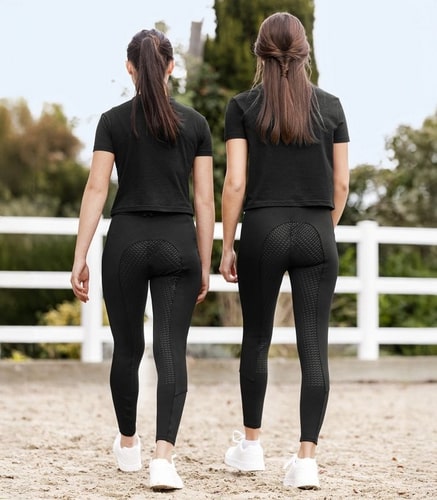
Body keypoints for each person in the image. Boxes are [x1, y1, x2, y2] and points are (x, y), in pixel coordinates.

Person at [70, 29, 214, 491]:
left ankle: (129, 445)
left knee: (128, 349)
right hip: (178, 242)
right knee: (170, 350)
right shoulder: (196, 124)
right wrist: (205, 261)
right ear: (171, 67)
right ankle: (163, 460)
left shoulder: (112, 121)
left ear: (129, 68)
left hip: (126, 243)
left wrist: (80, 256)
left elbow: (96, 189)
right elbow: (205, 201)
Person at [219, 12, 349, 491]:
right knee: (314, 346)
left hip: (263, 230)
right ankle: (306, 459)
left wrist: (227, 243)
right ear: (305, 52)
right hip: (317, 229)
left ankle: (251, 447)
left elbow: (235, 182)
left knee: (256, 337)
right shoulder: (332, 107)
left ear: (260, 54)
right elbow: (341, 183)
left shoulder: (242, 107)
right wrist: (323, 229)